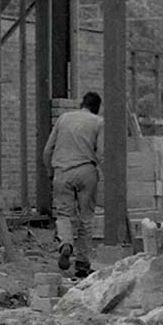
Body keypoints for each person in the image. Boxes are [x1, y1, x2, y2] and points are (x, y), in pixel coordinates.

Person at [43, 91, 104, 278]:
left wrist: (50, 171)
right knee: (86, 217)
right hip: (86, 170)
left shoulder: (63, 118)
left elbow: (47, 150)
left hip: (62, 171)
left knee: (63, 215)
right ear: (97, 107)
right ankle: (82, 264)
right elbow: (101, 153)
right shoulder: (99, 122)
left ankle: (66, 244)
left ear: (82, 104)